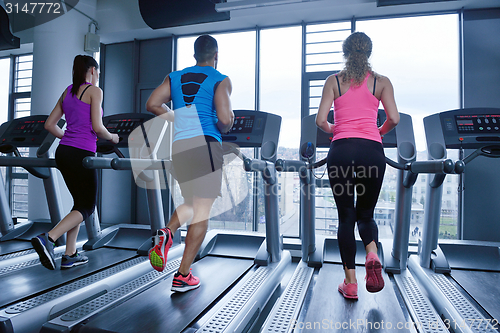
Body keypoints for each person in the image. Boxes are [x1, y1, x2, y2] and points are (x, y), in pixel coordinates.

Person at [146, 35, 234, 292]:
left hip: (181, 146)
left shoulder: (173, 77)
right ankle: (183, 274)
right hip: (206, 144)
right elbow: (224, 118)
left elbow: (152, 103)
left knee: (190, 202)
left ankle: (167, 232)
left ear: (195, 55)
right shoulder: (220, 79)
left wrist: (178, 118)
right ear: (215, 55)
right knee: (202, 210)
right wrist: (228, 121)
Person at [315, 32, 400, 299]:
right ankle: (372, 252)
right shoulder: (381, 82)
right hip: (372, 152)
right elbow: (394, 118)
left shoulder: (334, 81)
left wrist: (334, 128)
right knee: (366, 214)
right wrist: (379, 131)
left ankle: (350, 283)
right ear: (369, 53)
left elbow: (320, 121)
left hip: (341, 151)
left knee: (345, 217)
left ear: (345, 52)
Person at [31, 55, 119, 270]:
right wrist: (113, 137)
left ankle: (70, 253)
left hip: (64, 152)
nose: (97, 76)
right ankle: (48, 238)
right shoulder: (95, 91)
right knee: (88, 206)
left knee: (79, 204)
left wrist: (68, 139)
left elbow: (50, 125)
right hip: (83, 155)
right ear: (92, 71)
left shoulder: (67, 92)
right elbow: (98, 128)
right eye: (97, 72)